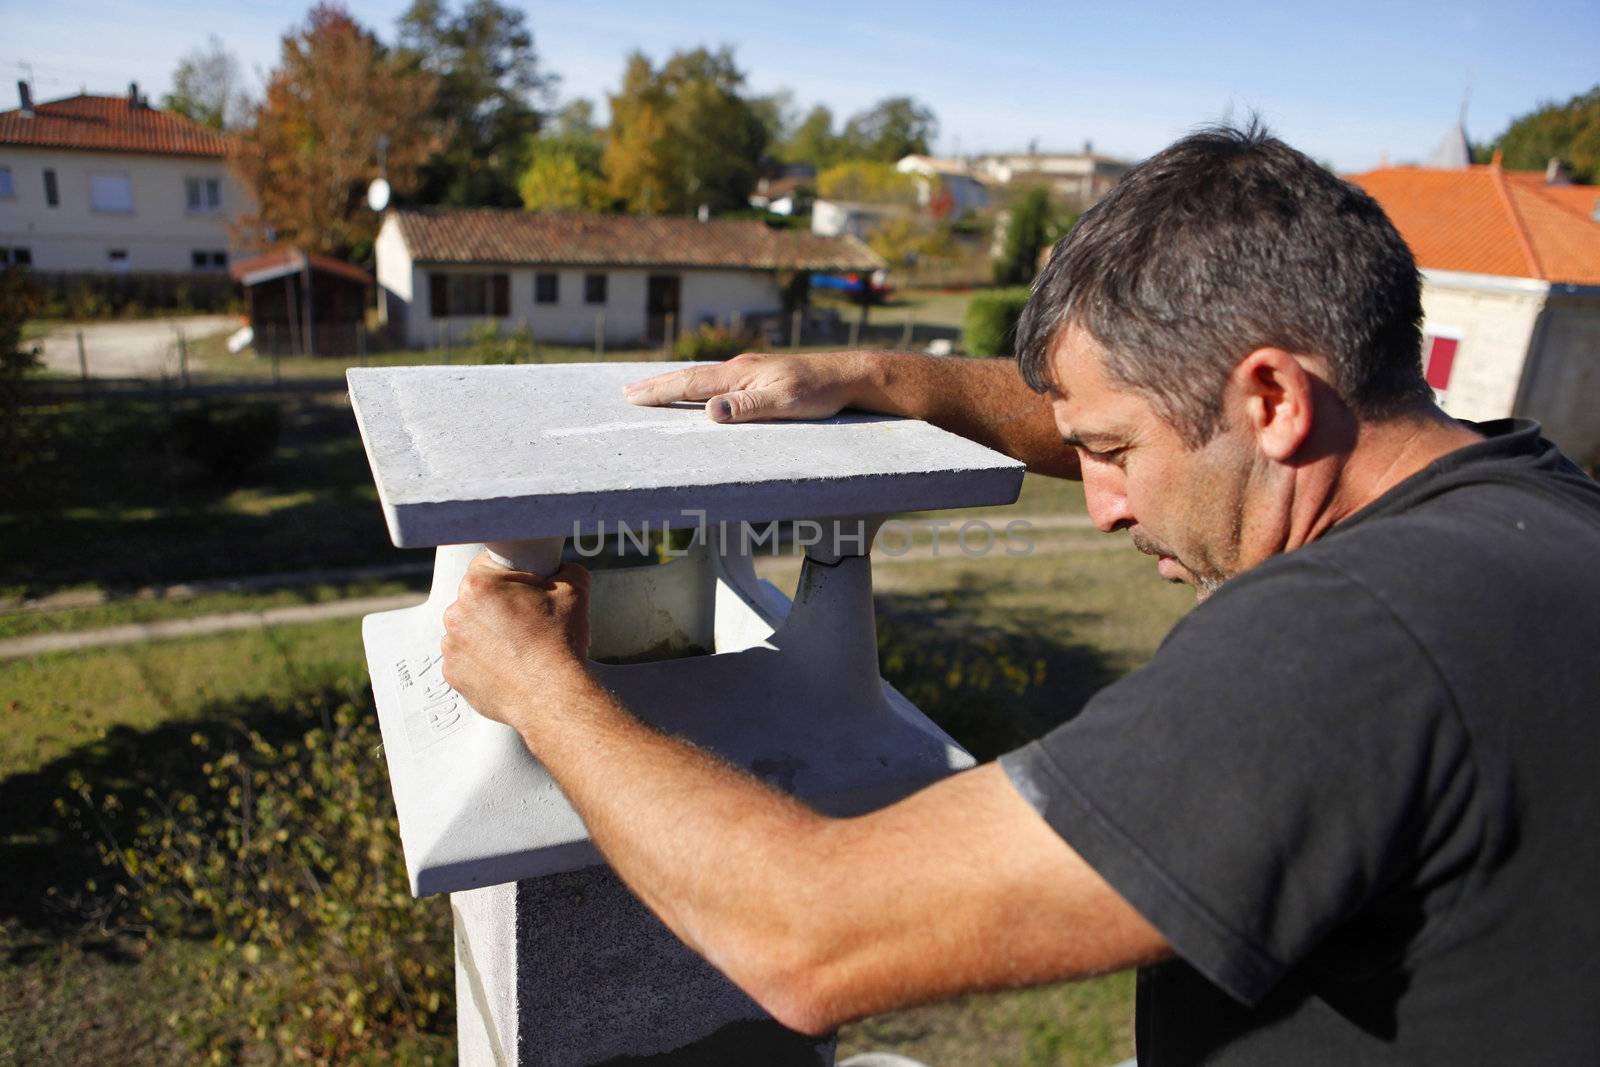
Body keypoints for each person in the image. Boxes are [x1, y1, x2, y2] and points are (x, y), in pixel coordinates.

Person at [440, 124, 1600, 1064]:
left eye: (1108, 451)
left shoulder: (1347, 646)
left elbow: (806, 933)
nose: (1095, 502)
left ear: (1274, 402)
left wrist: (543, 688)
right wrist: (888, 374)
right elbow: (1131, 416)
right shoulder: (1533, 506)